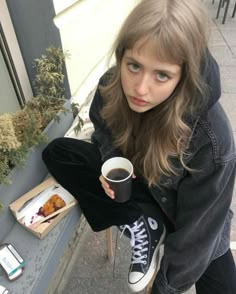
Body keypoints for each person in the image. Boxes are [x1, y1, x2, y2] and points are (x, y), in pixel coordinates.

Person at [42, 0, 236, 293]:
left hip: (194, 221)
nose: (141, 88)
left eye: (162, 75)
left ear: (185, 75)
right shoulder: (112, 85)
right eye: (133, 65)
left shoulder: (211, 139)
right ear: (122, 57)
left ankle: (153, 230)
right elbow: (103, 128)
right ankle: (140, 223)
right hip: (142, 191)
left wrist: (164, 285)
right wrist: (112, 163)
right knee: (58, 153)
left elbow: (198, 232)